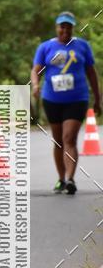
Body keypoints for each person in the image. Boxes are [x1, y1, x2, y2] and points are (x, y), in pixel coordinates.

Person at [32, 11, 100, 195]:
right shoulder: (46, 47)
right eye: (62, 26)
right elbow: (36, 70)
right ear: (57, 28)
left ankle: (70, 179)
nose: (65, 30)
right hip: (52, 100)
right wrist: (36, 85)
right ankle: (61, 179)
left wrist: (98, 99)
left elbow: (91, 74)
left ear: (73, 28)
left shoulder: (82, 47)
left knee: (69, 138)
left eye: (68, 26)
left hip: (77, 99)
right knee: (59, 141)